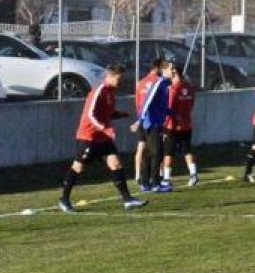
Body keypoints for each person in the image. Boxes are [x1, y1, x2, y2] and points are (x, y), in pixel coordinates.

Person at [58, 64, 147, 213]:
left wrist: (118, 115)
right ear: (110, 76)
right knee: (78, 167)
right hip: (88, 137)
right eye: (118, 78)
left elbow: (105, 113)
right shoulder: (99, 91)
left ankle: (127, 200)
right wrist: (105, 128)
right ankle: (64, 199)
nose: (121, 82)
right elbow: (91, 115)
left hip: (103, 138)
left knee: (116, 164)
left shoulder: (111, 92)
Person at [131, 58, 170, 193]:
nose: (171, 71)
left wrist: (171, 113)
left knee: (147, 152)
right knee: (157, 152)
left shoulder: (141, 82)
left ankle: (144, 182)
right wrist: (140, 120)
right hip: (151, 122)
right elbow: (148, 101)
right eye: (168, 68)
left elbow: (139, 102)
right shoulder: (159, 82)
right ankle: (155, 183)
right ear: (160, 68)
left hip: (144, 121)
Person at [159, 63, 198, 189]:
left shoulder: (173, 89)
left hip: (172, 126)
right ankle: (193, 174)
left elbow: (169, 107)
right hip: (187, 124)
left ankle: (166, 178)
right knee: (187, 150)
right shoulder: (190, 88)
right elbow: (191, 104)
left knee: (168, 152)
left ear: (175, 73)